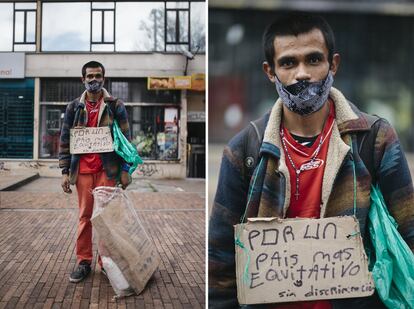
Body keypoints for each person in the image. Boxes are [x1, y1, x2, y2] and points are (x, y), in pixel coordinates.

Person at [209, 13, 414, 308]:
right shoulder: (244, 151)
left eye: (314, 60)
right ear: (270, 71)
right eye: (288, 63)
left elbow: (409, 234)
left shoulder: (375, 139)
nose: (302, 73)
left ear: (334, 65)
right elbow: (220, 264)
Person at [59, 61, 132, 283]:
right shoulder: (73, 107)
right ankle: (84, 261)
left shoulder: (115, 105)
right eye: (89, 76)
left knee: (106, 218)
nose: (93, 80)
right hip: (82, 171)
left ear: (104, 78)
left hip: (107, 170)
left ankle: (106, 263)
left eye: (97, 75)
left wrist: (126, 169)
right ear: (83, 80)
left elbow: (126, 139)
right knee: (85, 217)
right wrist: (64, 171)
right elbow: (64, 141)